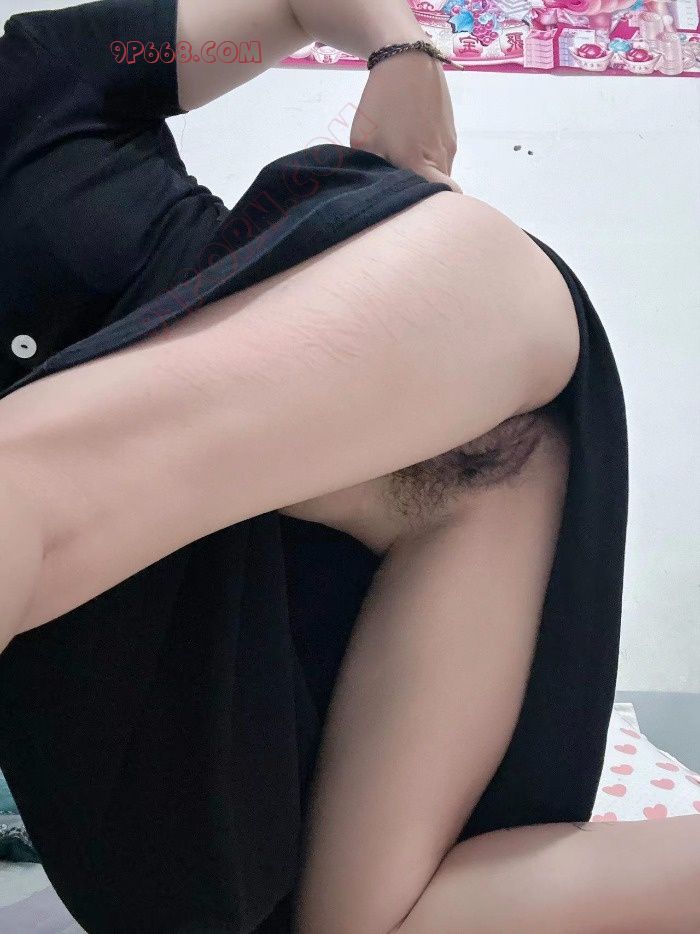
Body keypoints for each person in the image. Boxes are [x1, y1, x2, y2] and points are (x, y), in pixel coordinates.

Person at [0, 0, 698, 932]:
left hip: (423, 337)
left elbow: (291, 7)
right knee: (368, 922)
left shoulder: (38, 69)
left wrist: (401, 51)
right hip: (410, 531)